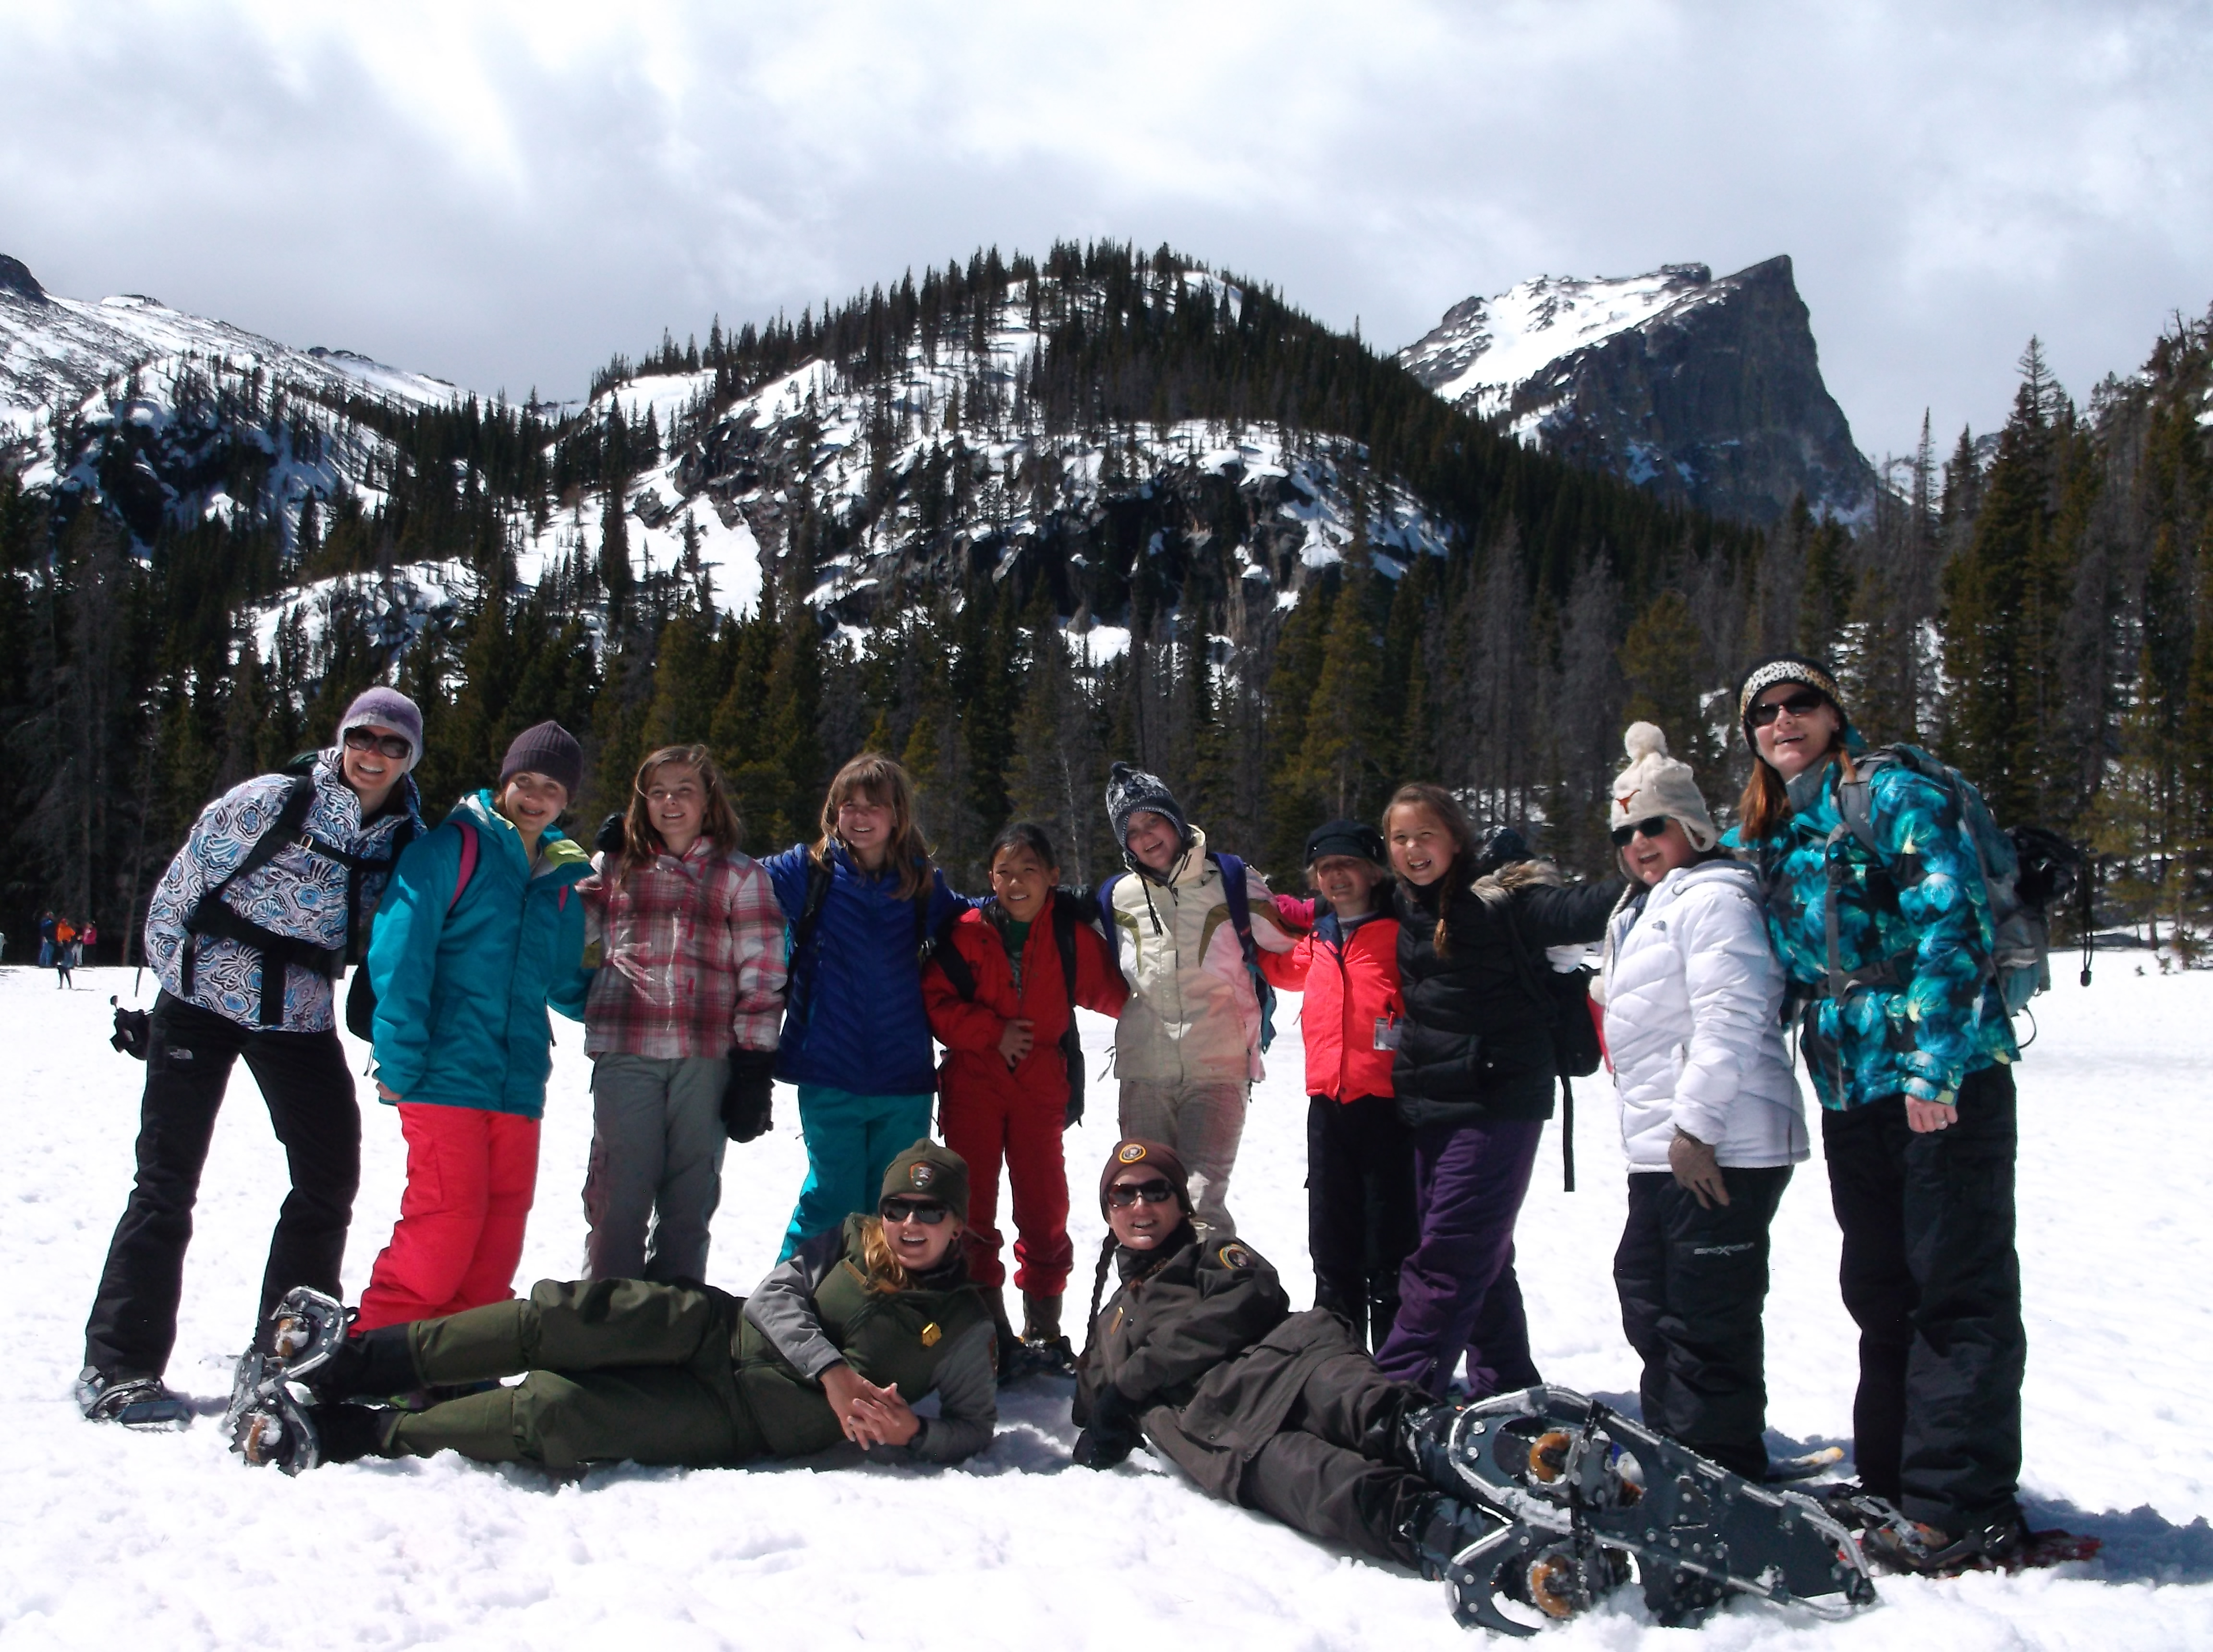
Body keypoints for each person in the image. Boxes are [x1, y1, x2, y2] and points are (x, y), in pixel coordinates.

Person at [1733, 656, 2030, 1571]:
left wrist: (1934, 1066)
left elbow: (1951, 922)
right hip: (1849, 1085)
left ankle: (1959, 1505)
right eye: (1763, 712)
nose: (1783, 719)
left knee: (1955, 1288)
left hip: (1937, 1079)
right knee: (1880, 1289)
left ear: (1833, 713)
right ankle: (1896, 1476)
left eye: (1800, 704)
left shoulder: (1892, 793)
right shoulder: (1777, 829)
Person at [78, 687, 427, 1424]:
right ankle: (119, 1367)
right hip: (202, 999)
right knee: (166, 1181)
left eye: (395, 746)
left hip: (297, 1013)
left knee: (329, 1175)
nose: (376, 755)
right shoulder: (272, 801)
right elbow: (180, 887)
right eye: (365, 737)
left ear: (410, 759)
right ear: (344, 738)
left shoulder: (403, 835)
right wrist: (175, 993)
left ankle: (282, 1352)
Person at [235, 1142, 996, 1474]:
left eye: (930, 1213)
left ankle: (360, 1433)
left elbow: (973, 1428)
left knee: (559, 1414)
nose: (911, 1226)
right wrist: (832, 1373)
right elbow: (774, 1295)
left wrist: (917, 1433)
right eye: (899, 1207)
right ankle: (356, 1361)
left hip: (740, 1420)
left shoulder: (963, 1323)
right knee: (561, 1318)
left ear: (959, 1222)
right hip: (714, 1328)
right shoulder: (849, 1239)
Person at [1070, 1139, 1493, 1578]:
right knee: (1331, 1488)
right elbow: (1092, 1399)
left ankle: (1499, 1453)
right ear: (1108, 1212)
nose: (1140, 1204)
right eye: (1123, 1194)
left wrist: (1132, 1383)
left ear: (1181, 1205)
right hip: (1224, 1434)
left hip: (1291, 1366)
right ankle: (1463, 1538)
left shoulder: (1206, 1254)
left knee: (1369, 1410)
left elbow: (1251, 1296)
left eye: (1157, 1190)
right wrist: (1104, 1421)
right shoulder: (1110, 1322)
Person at [1594, 722, 1807, 1481]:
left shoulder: (1715, 898)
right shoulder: (1642, 908)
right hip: (1663, 1150)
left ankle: (1720, 1469)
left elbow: (1734, 1015)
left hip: (1722, 1146)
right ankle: (1677, 1451)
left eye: (1654, 825)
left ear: (1690, 825)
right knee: (1647, 1293)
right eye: (1627, 831)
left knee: (1704, 1317)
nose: (1640, 843)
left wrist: (1696, 1127)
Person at [1374, 785, 1624, 1401]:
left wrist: (1661, 861)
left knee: (1449, 1258)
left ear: (1456, 839)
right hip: (1433, 1102)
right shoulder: (1409, 903)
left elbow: (1584, 908)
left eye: (1425, 835)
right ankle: (1505, 1381)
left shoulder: (1502, 902)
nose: (1412, 848)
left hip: (1497, 1099)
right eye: (1400, 838)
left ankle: (1395, 1395)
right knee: (1480, 1253)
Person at [353, 721, 592, 1331]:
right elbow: (399, 958)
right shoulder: (449, 849)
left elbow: (565, 982)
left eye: (553, 789)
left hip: (517, 1083)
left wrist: (644, 1007)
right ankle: (378, 1355)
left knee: (498, 1236)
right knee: (444, 1227)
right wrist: (400, 1059)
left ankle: (463, 1365)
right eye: (525, 781)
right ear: (505, 780)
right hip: (442, 1075)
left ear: (568, 801)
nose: (536, 797)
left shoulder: (560, 879)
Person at [579, 744, 787, 1286]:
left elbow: (763, 976)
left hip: (706, 1058)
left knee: (689, 1203)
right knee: (618, 1198)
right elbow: (562, 932)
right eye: (658, 791)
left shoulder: (741, 876)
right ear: (642, 800)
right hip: (628, 1050)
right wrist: (582, 868)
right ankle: (602, 1326)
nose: (671, 801)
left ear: (708, 800)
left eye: (685, 790)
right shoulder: (616, 864)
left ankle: (673, 1327)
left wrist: (753, 1067)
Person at [922, 821, 1128, 1362]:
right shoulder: (967, 932)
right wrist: (992, 1032)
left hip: (1040, 1086)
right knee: (972, 1209)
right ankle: (989, 1329)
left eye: (1028, 872)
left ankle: (1043, 1328)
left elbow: (1122, 994)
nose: (1015, 883)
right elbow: (936, 1003)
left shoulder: (1068, 936)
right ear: (990, 876)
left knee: (1045, 1208)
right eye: (1004, 872)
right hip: (973, 1083)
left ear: (1053, 877)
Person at [760, 753, 970, 1258]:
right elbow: (733, 878)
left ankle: (878, 1314)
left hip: (904, 1076)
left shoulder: (921, 883)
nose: (858, 816)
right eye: (847, 805)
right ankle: (785, 1305)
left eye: (872, 806)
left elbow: (971, 918)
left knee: (896, 1206)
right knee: (832, 1197)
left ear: (897, 814)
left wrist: (1036, 900)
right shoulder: (806, 872)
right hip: (829, 1068)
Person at [1099, 762, 1296, 1236]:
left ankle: (1213, 1307)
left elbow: (1289, 937)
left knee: (1200, 1204)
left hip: (1218, 1068)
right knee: (1141, 1205)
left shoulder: (1229, 878)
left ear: (1174, 817)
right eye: (1133, 830)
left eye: (1154, 820)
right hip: (1144, 1074)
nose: (1147, 837)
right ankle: (1148, 1307)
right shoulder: (1116, 896)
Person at [1257, 819, 1413, 1353]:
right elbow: (1281, 967)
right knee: (1331, 1241)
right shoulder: (1320, 937)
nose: (1336, 875)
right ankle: (1336, 1363)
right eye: (1325, 868)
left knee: (1388, 1245)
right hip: (1328, 1107)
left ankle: (1397, 1368)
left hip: (1390, 1110)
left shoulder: (1401, 933)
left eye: (1346, 864)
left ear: (1373, 870)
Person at [55, 915, 76, 987]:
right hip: (66, 942)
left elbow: (58, 936)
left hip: (61, 943)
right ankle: (69, 965)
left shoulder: (59, 928)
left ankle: (63, 964)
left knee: (63, 955)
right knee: (68, 954)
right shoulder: (67, 928)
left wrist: (59, 941)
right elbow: (73, 934)